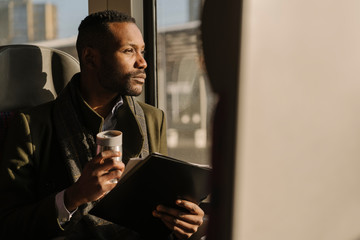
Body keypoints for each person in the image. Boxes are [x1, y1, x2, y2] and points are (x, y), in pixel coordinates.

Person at [0, 10, 204, 240]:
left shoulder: (153, 119)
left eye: (142, 51)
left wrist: (181, 220)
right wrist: (73, 197)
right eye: (129, 51)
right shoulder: (31, 125)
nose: (143, 62)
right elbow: (8, 225)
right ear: (90, 58)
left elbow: (161, 205)